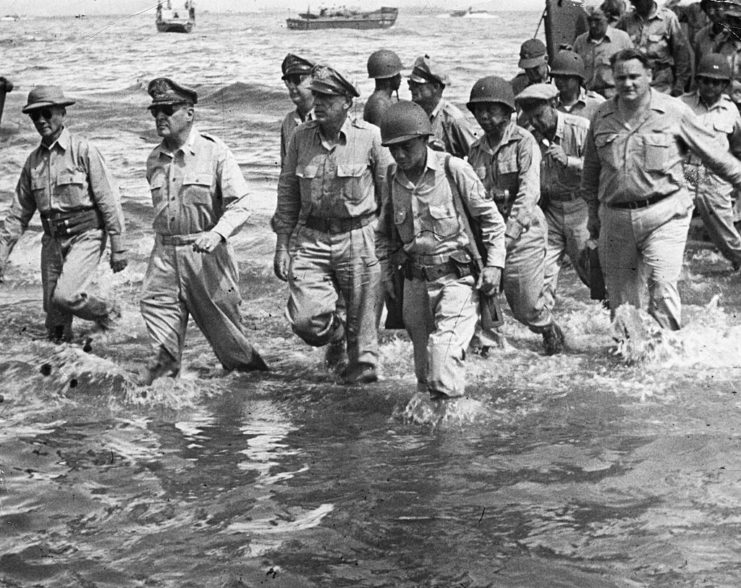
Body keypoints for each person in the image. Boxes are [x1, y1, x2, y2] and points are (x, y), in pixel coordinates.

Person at [581, 49, 741, 330]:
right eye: (621, 78)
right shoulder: (601, 116)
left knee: (661, 284)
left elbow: (715, 155)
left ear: (649, 77)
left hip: (664, 213)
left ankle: (669, 354)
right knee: (621, 301)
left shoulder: (674, 111)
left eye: (634, 77)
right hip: (616, 218)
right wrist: (592, 214)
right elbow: (591, 170)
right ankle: (631, 358)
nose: (628, 84)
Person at [140, 78, 267, 384]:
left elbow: (242, 203)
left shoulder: (215, 152)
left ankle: (256, 400)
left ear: (189, 113)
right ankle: (164, 403)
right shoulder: (154, 159)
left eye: (167, 110)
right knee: (161, 341)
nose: (159, 117)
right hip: (164, 259)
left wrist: (217, 233)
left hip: (207, 257)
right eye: (155, 110)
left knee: (233, 351)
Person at [376, 101, 506, 400]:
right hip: (414, 284)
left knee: (442, 360)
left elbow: (492, 221)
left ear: (424, 138)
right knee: (424, 375)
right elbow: (384, 234)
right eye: (393, 148)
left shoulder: (453, 169)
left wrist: (494, 266)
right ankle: (436, 435)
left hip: (456, 279)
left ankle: (457, 437)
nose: (399, 154)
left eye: (406, 146)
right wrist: (385, 273)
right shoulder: (392, 178)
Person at [272, 65, 392, 385]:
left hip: (360, 236)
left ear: (347, 104)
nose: (320, 102)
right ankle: (334, 334)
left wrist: (389, 249)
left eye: (329, 97)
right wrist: (282, 245)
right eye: (318, 95)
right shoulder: (300, 137)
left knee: (363, 341)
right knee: (305, 320)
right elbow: (287, 194)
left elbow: (390, 196)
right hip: (312, 238)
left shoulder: (371, 138)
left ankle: (356, 414)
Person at [0, 86, 127, 343]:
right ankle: (67, 371)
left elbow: (108, 200)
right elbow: (17, 215)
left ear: (62, 112)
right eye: (34, 116)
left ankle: (107, 310)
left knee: (65, 296)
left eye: (46, 113)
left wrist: (118, 245)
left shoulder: (83, 151)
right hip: (52, 242)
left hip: (86, 236)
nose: (41, 120)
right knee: (55, 324)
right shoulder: (32, 162)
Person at [467, 76, 566, 355]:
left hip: (523, 233)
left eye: (491, 109)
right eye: (478, 111)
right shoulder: (475, 152)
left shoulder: (525, 143)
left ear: (508, 111)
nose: (484, 116)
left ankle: (548, 328)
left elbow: (529, 195)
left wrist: (506, 238)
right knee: (483, 295)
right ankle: (488, 350)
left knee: (525, 306)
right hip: (490, 235)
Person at [515, 83, 592, 311]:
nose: (536, 123)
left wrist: (570, 161)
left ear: (554, 104)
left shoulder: (580, 128)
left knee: (592, 273)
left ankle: (618, 323)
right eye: (530, 118)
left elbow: (603, 166)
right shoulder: (529, 137)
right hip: (550, 211)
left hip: (581, 208)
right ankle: (548, 332)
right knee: (543, 276)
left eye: (539, 116)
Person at [680, 54, 741, 271]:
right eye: (705, 80)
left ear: (725, 85)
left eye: (716, 82)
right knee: (673, 225)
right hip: (686, 172)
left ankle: (738, 263)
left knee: (726, 236)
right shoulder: (681, 104)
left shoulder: (731, 111)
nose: (709, 86)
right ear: (697, 80)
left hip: (715, 178)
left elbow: (737, 147)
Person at [616, 0, 693, 96]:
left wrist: (680, 84)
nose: (635, 4)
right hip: (633, 81)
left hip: (661, 83)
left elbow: (681, 54)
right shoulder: (626, 20)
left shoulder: (668, 18)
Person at [408, 55, 477, 158]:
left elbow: (477, 155)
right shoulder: (413, 115)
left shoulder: (454, 119)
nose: (410, 88)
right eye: (410, 83)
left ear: (435, 87)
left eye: (416, 85)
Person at [573, 6, 634, 98]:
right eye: (590, 20)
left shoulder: (622, 38)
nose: (593, 25)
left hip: (614, 95)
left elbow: (633, 67)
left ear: (607, 18)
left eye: (597, 20)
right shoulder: (580, 41)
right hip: (588, 96)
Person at [550, 50, 606, 121]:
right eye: (557, 77)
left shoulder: (597, 104)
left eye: (565, 77)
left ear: (578, 78)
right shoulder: (550, 105)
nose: (560, 81)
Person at [280, 53, 315, 168]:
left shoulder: (327, 116)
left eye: (296, 79)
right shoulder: (288, 122)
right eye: (288, 81)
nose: (292, 86)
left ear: (314, 80)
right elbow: (285, 170)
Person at [363, 49, 402, 127]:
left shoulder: (383, 100)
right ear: (391, 78)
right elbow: (380, 137)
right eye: (398, 75)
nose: (400, 78)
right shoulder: (380, 104)